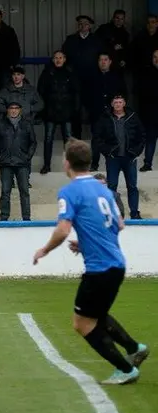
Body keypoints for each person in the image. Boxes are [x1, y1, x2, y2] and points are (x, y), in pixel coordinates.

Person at [33, 139, 149, 385]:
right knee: (97, 313)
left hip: (99, 269)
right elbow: (118, 224)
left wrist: (45, 249)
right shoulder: (105, 190)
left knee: (82, 323)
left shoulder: (70, 191)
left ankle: (126, 370)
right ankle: (134, 347)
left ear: (67, 162)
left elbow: (63, 230)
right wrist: (86, 244)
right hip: (116, 263)